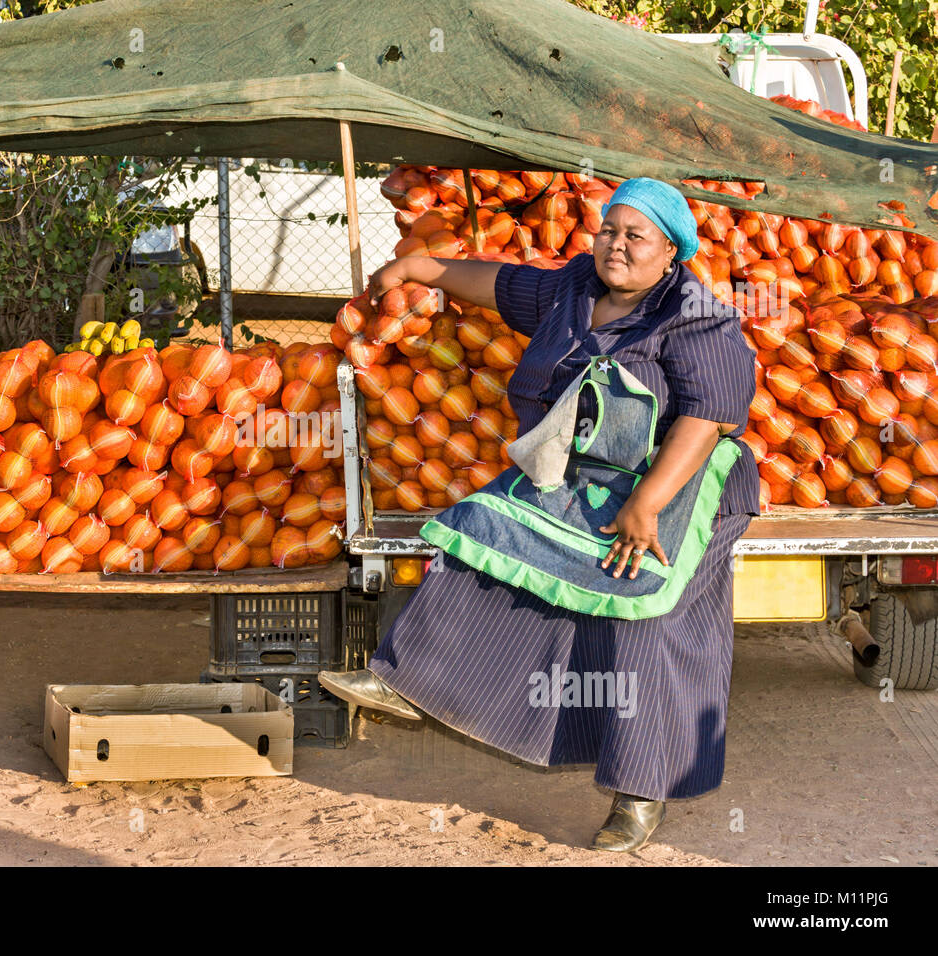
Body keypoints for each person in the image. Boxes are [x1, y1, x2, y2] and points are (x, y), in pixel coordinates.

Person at [319, 177, 760, 852]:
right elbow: (501, 282)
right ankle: (411, 684)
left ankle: (641, 794)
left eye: (635, 236)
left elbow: (712, 414)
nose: (617, 245)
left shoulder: (696, 313)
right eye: (610, 229)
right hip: (593, 476)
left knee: (644, 614)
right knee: (487, 528)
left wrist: (647, 504)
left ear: (671, 250)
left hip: (684, 484)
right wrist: (420, 266)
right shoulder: (575, 289)